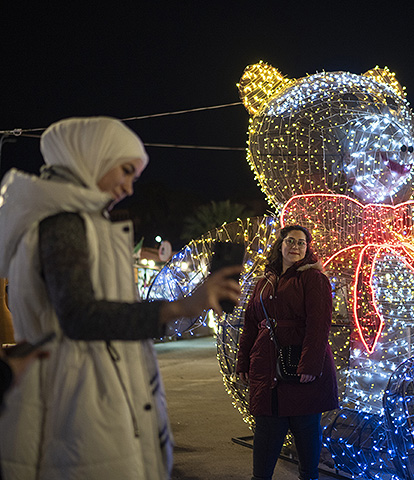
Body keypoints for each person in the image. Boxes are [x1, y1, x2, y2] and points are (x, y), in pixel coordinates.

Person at [0, 117, 242, 480]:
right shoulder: (64, 222)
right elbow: (80, 316)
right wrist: (184, 306)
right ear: (92, 157)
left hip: (81, 392)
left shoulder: (65, 218)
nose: (129, 187)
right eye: (126, 171)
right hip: (80, 400)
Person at [236, 225, 338, 480]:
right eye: (290, 241)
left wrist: (310, 365)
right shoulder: (263, 282)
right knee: (264, 444)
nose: (295, 246)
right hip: (266, 369)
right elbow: (250, 324)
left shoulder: (314, 279)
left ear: (307, 248)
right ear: (280, 245)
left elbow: (319, 325)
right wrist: (243, 362)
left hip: (300, 372)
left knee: (307, 448)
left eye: (301, 243)